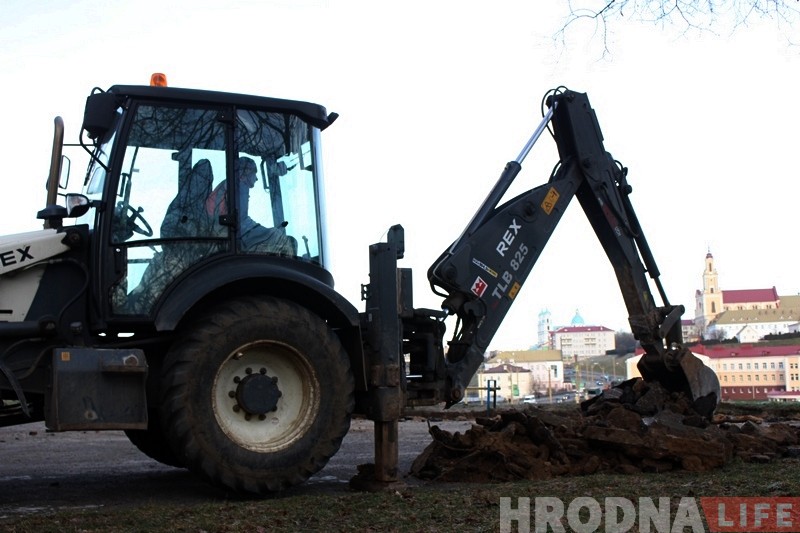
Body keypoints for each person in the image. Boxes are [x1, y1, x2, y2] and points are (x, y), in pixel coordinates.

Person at [207, 156, 294, 252]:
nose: (256, 178)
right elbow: (241, 222)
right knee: (283, 241)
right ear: (246, 172)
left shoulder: (229, 185)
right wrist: (269, 234)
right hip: (225, 233)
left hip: (220, 231)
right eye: (254, 173)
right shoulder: (239, 186)